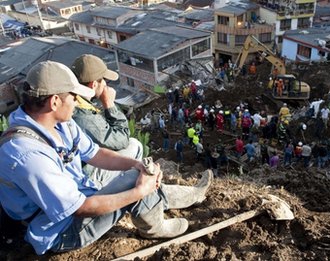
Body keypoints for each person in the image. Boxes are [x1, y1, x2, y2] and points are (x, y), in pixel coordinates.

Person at [0, 61, 212, 255]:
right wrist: (139, 191)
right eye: (73, 97)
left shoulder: (58, 122)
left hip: (78, 190)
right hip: (61, 230)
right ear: (55, 101)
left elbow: (95, 153)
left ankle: (193, 195)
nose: (76, 103)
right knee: (133, 182)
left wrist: (136, 164)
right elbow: (80, 209)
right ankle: (154, 228)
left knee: (137, 171)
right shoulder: (28, 155)